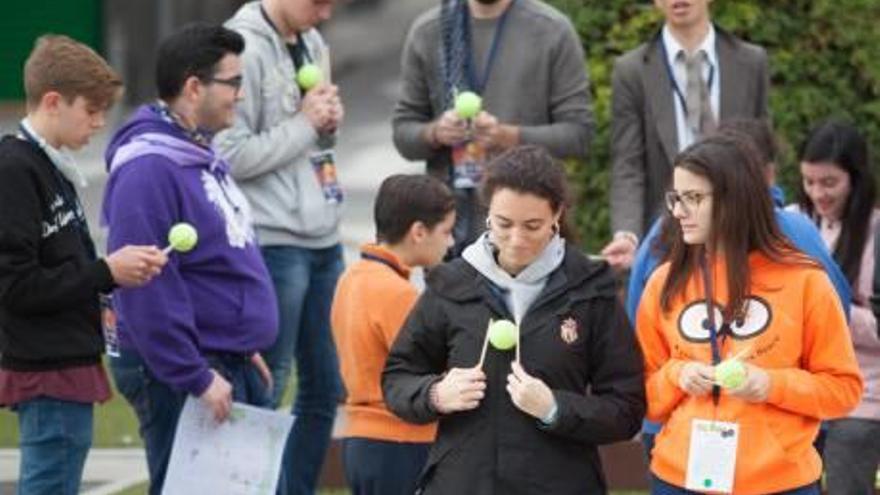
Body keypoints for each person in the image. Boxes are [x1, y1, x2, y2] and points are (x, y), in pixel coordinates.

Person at [382, 146, 645, 494]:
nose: (517, 240)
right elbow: (398, 376)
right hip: (463, 483)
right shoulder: (451, 283)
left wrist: (555, 408)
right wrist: (434, 394)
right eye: (504, 224)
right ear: (488, 212)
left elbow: (626, 407)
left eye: (532, 226)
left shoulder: (591, 289)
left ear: (557, 215)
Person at [101, 24, 278, 495]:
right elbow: (146, 285)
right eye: (233, 83)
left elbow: (218, 258)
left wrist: (242, 344)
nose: (241, 95)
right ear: (194, 87)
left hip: (223, 357)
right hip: (185, 370)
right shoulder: (149, 168)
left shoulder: (194, 152)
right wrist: (195, 375)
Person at [635, 133, 862, 494]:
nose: (678, 211)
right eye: (676, 198)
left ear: (734, 201)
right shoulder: (663, 282)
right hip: (679, 479)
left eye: (693, 198)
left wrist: (771, 384)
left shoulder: (806, 282)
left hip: (782, 482)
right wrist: (677, 374)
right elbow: (639, 396)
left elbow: (844, 390)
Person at [0, 35, 167, 495]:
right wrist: (105, 272)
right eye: (91, 110)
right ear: (54, 102)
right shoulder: (15, 169)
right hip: (46, 366)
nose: (99, 123)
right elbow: (16, 286)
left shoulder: (53, 165)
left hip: (69, 360)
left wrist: (112, 272)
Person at [214, 1, 345, 491]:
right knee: (269, 382)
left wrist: (327, 121)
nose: (327, 13)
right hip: (272, 239)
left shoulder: (310, 40)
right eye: (319, 2)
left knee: (326, 386)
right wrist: (306, 124)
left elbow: (311, 138)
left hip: (324, 233)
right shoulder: (239, 46)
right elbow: (230, 152)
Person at [392, 0, 593, 257]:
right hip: (449, 234)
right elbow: (403, 133)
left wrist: (507, 137)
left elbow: (579, 135)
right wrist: (436, 133)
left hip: (527, 236)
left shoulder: (551, 30)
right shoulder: (431, 31)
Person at [603, 0, 769, 270]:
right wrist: (627, 234)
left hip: (738, 232)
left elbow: (761, 154)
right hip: (667, 236)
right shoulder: (632, 70)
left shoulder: (750, 62)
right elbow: (628, 163)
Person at [331, 174, 455, 495]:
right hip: (401, 442)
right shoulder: (398, 294)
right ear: (418, 232)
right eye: (446, 231)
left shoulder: (352, 277)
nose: (451, 242)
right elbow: (431, 373)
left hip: (360, 440)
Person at [788, 121, 880, 494]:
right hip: (800, 388)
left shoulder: (874, 231)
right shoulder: (794, 220)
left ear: (854, 179)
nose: (818, 193)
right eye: (810, 182)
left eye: (829, 183)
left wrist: (832, 308)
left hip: (861, 393)